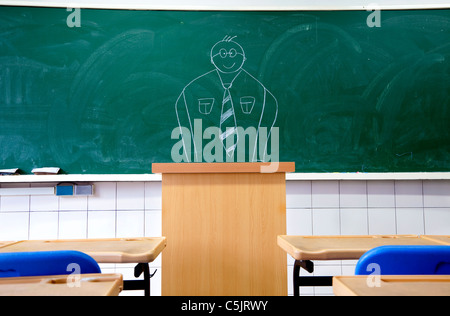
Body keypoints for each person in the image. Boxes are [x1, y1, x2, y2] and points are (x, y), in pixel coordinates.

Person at [175, 36, 278, 162]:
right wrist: (191, 150)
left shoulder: (254, 87)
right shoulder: (197, 86)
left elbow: (271, 108)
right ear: (212, 59)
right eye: (222, 54)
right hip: (208, 156)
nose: (228, 58)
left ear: (243, 58)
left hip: (247, 156)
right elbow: (181, 107)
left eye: (233, 53)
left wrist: (260, 146)